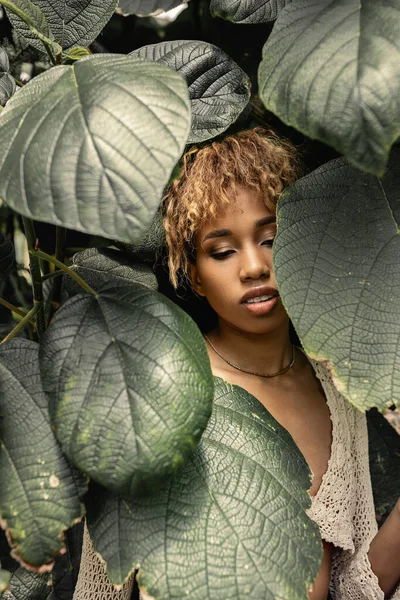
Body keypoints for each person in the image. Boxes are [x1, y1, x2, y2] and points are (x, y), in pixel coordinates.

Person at [73, 128, 400, 600]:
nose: (252, 266)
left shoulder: (335, 388)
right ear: (194, 275)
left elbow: (353, 586)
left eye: (271, 239)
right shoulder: (156, 390)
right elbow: (100, 588)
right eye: (222, 251)